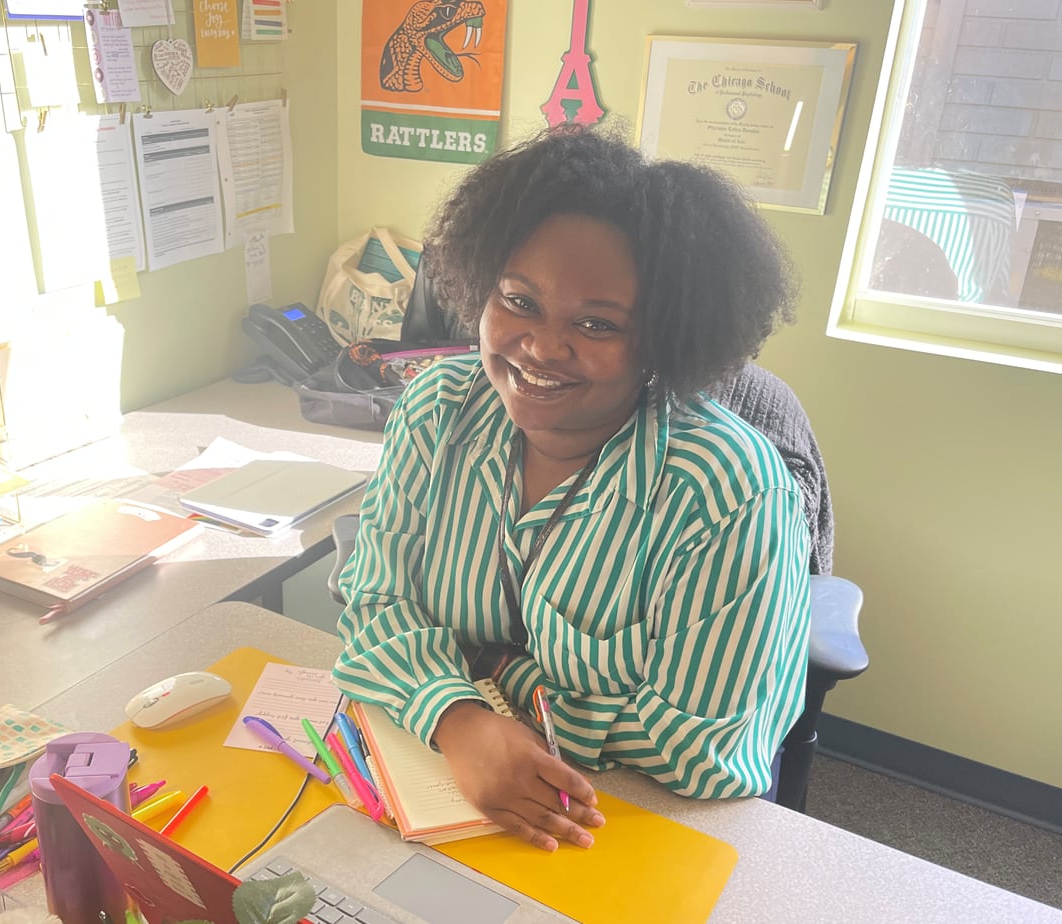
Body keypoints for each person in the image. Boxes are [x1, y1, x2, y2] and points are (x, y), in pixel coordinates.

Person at [332, 127, 810, 853]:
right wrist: (462, 722)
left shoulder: (727, 494)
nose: (543, 347)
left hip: (624, 822)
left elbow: (704, 750)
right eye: (519, 300)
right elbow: (374, 604)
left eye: (597, 323)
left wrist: (494, 672)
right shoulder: (436, 410)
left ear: (661, 339)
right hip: (436, 783)